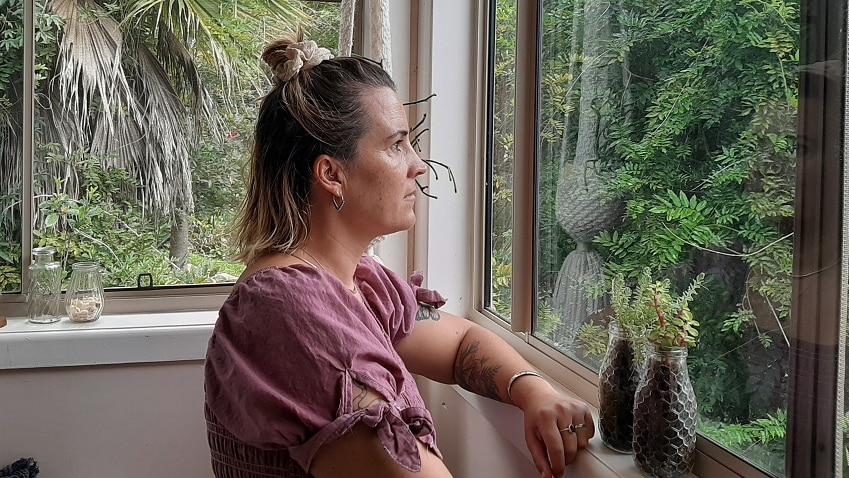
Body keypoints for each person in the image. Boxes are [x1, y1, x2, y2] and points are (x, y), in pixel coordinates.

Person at [203, 31, 595, 478]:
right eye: (396, 145)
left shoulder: (356, 284)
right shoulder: (289, 310)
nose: (419, 165)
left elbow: (460, 344)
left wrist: (533, 391)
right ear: (331, 174)